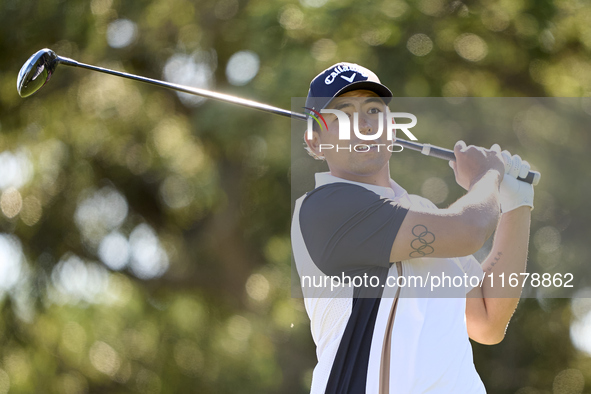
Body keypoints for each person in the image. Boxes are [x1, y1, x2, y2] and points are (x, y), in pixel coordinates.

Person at [291, 62, 536, 393]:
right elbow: (469, 229)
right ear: (315, 142)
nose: (362, 125)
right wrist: (486, 175)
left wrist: (516, 204)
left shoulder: (424, 213)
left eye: (373, 111)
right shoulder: (324, 208)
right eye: (341, 115)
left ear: (392, 128)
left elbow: (488, 320)